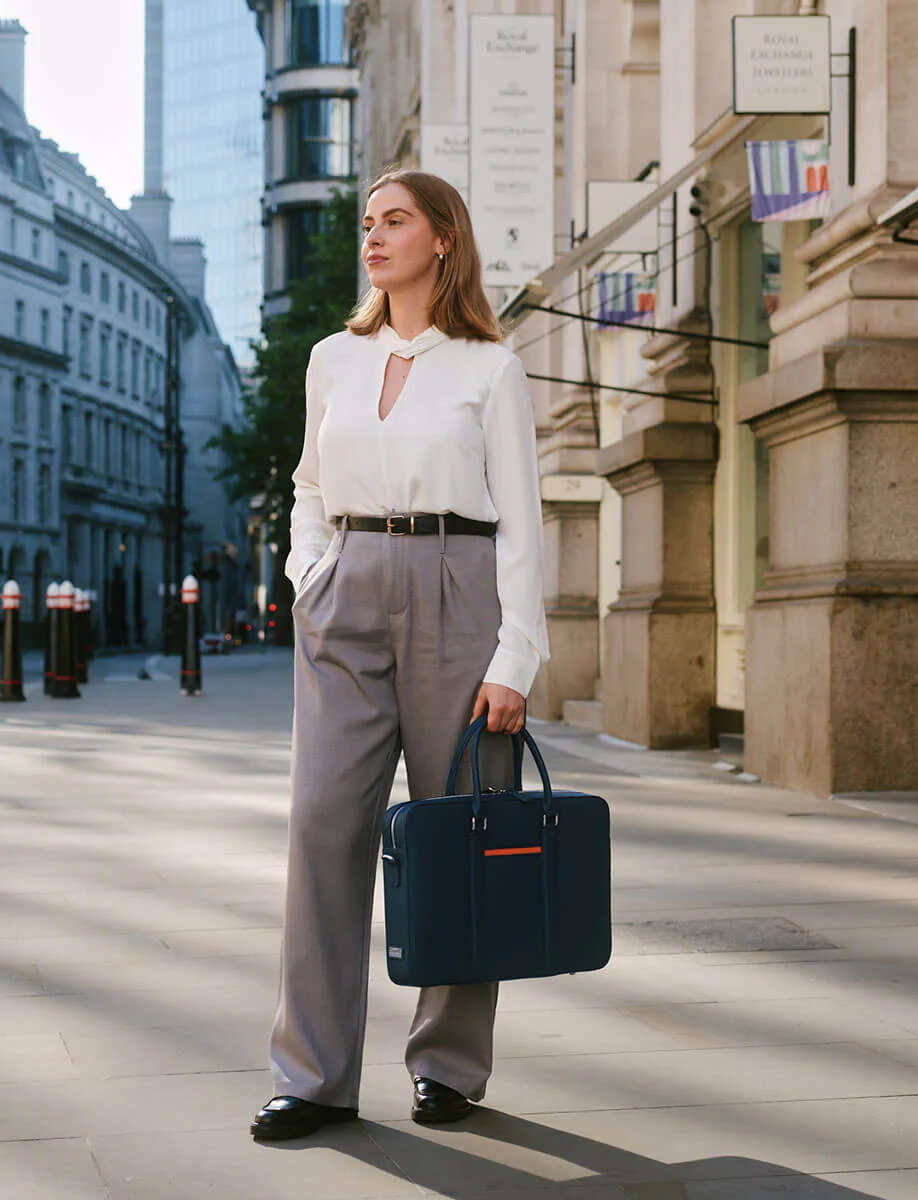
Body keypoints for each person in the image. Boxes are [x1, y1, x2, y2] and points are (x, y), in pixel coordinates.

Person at [252, 169, 549, 1141]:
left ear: (444, 240)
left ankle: (451, 1064)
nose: (374, 237)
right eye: (369, 223)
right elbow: (303, 482)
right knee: (322, 825)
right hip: (350, 588)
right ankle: (313, 1074)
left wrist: (517, 655)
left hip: (460, 584)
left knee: (463, 823)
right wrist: (311, 576)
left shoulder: (489, 369)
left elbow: (523, 525)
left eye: (395, 221)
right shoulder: (332, 358)